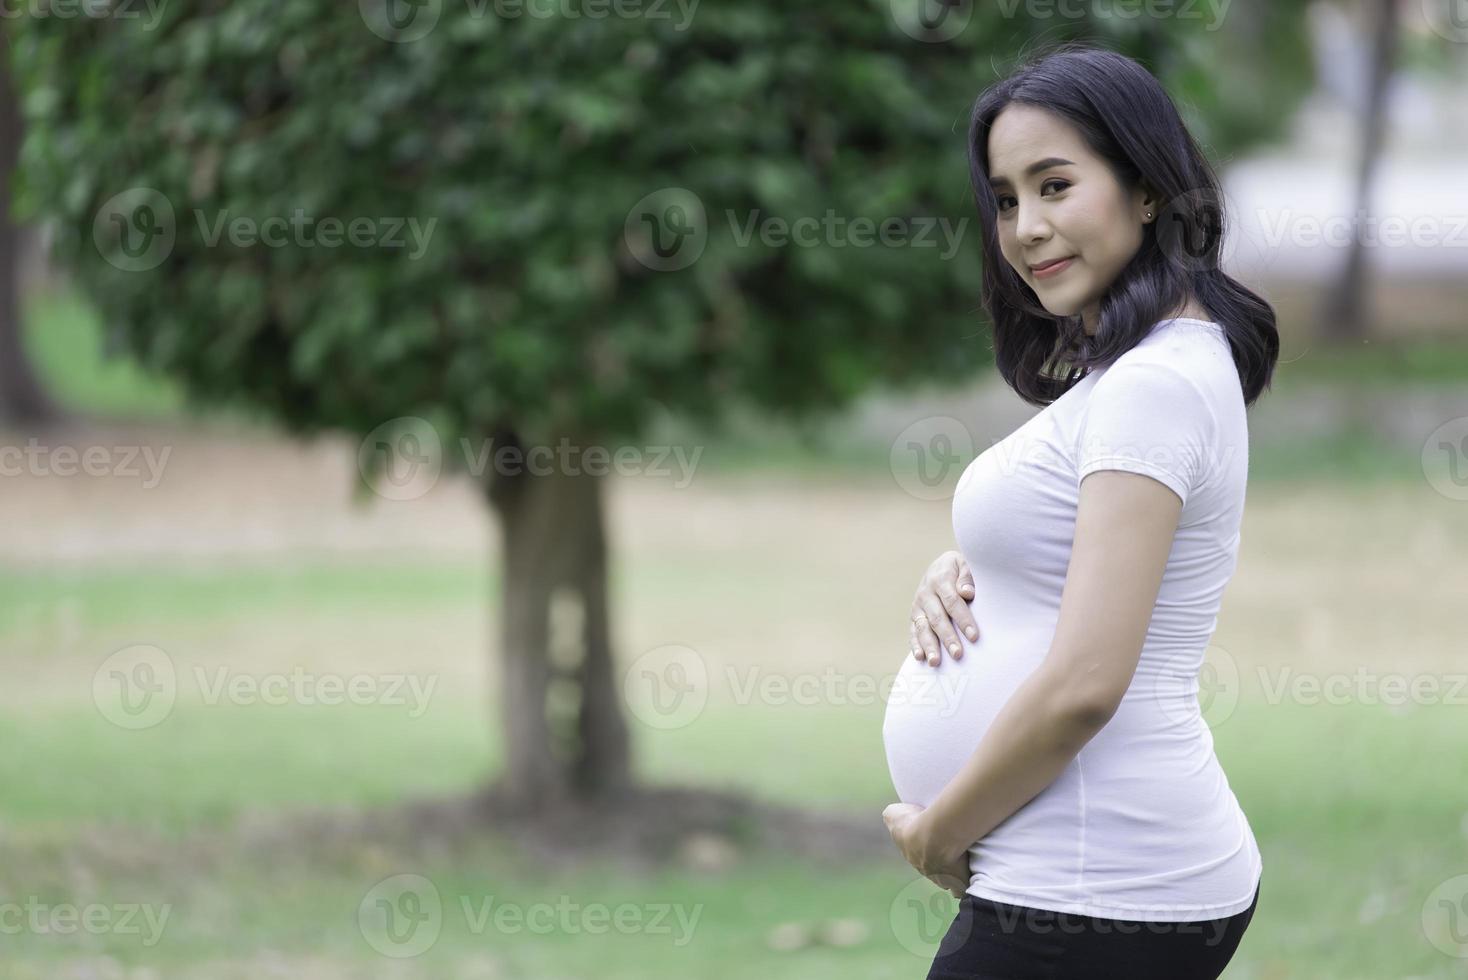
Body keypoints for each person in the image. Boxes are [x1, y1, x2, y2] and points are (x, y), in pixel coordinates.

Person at [879, 42, 1280, 980]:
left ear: (1147, 191)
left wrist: (943, 832)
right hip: (1082, 875)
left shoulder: (1157, 384)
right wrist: (970, 565)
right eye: (1007, 199)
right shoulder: (1139, 371)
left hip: (1099, 882)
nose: (1025, 227)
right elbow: (1074, 550)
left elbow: (1087, 682)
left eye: (1055, 185)